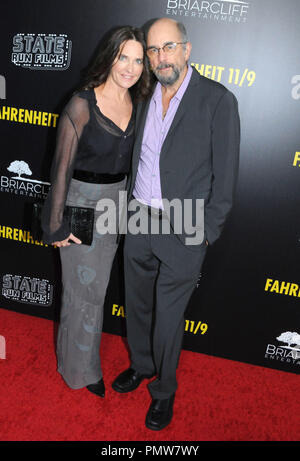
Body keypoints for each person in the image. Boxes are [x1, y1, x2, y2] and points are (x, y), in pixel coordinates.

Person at [112, 18, 240, 430]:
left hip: (184, 229)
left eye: (168, 47)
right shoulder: (146, 95)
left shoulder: (218, 100)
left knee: (168, 318)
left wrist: (204, 234)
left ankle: (163, 391)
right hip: (137, 219)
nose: (159, 57)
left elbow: (226, 179)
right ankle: (142, 365)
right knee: (137, 305)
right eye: (153, 50)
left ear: (187, 49)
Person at [41, 26, 150, 398]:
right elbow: (60, 168)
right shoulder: (81, 104)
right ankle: (79, 371)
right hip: (81, 204)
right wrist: (57, 225)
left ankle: (84, 362)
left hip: (116, 205)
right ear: (110, 57)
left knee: (96, 290)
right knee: (79, 291)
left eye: (138, 60)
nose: (131, 67)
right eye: (124, 57)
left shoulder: (138, 105)